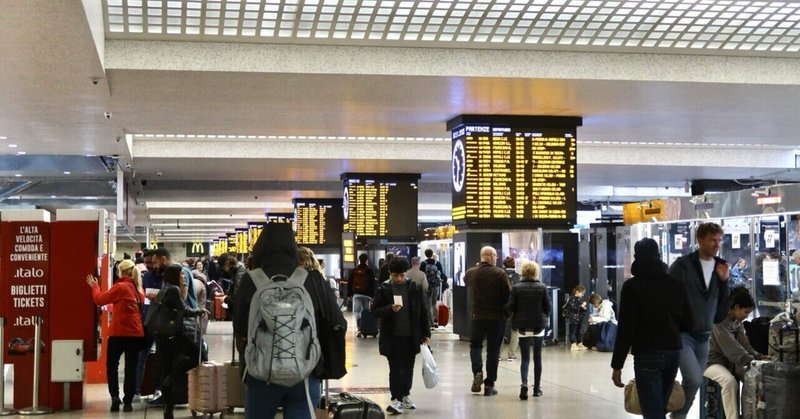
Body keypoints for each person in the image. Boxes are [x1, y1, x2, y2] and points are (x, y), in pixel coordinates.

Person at [233, 223, 343, 419]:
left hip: (260, 372)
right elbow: (336, 322)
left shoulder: (250, 280)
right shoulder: (312, 279)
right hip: (304, 373)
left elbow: (240, 327)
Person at [611, 238, 693, 419]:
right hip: (672, 351)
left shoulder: (632, 287)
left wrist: (617, 365)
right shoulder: (675, 284)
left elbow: (626, 328)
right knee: (660, 407)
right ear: (658, 255)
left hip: (646, 353)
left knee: (652, 410)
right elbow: (688, 321)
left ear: (636, 257)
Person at [668, 222, 730, 419]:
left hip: (704, 336)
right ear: (700, 240)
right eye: (712, 240)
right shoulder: (682, 266)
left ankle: (679, 414)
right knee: (693, 378)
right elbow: (668, 295)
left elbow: (723, 301)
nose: (716, 244)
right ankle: (678, 413)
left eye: (719, 240)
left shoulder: (721, 267)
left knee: (695, 380)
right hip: (682, 334)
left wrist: (724, 281)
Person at [146, 264, 207, 419]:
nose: (183, 276)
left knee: (166, 367)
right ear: (174, 275)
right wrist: (200, 311)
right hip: (173, 335)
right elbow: (184, 310)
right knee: (197, 354)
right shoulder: (173, 289)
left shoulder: (164, 288)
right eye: (181, 274)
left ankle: (168, 408)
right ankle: (173, 376)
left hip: (162, 335)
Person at [372, 256, 431, 414]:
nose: (399, 279)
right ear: (390, 273)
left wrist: (426, 332)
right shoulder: (383, 288)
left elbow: (423, 311)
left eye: (402, 275)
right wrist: (389, 309)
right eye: (395, 275)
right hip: (392, 336)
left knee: (409, 367)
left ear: (406, 273)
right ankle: (396, 398)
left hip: (411, 335)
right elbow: (375, 310)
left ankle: (406, 395)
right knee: (395, 368)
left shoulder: (414, 287)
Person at [85, 259, 146, 412]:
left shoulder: (120, 286)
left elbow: (99, 299)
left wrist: (95, 286)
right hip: (136, 334)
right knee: (131, 368)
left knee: (112, 365)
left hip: (118, 333)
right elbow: (129, 308)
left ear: (121, 272)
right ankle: (128, 402)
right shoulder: (139, 289)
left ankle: (114, 397)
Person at [704, 287, 764, 419]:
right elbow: (732, 349)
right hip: (711, 362)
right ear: (736, 307)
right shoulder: (718, 321)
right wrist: (751, 360)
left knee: (752, 379)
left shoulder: (737, 322)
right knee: (729, 382)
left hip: (729, 362)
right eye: (746, 312)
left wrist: (758, 356)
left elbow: (745, 345)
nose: (747, 316)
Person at [465, 246, 511, 396]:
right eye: (496, 256)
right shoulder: (500, 274)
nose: (497, 258)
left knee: (476, 345)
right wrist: (507, 313)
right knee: (493, 350)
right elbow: (507, 296)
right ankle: (489, 385)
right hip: (496, 318)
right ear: (491, 256)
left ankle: (477, 371)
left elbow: (467, 282)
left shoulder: (471, 273)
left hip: (477, 316)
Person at [505, 261, 551, 400]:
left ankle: (524, 383)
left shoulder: (516, 288)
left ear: (523, 272)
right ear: (536, 272)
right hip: (538, 326)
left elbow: (510, 307)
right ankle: (537, 388)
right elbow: (548, 307)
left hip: (522, 326)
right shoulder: (542, 287)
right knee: (537, 357)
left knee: (525, 358)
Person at [347, 253, 377, 337]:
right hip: (367, 296)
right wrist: (372, 295)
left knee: (357, 312)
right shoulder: (369, 270)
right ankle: (366, 327)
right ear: (367, 260)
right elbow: (372, 284)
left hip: (356, 295)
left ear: (359, 260)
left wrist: (349, 294)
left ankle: (359, 328)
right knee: (366, 311)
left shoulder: (354, 270)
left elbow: (350, 282)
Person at [421, 249, 447, 328]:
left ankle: (429, 322)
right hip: (435, 286)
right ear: (432, 254)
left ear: (425, 255)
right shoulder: (437, 263)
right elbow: (442, 274)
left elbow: (422, 275)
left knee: (427, 303)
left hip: (426, 286)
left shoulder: (423, 263)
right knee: (434, 303)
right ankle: (435, 320)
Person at [503, 256, 521, 361]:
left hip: (502, 306)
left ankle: (498, 354)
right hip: (515, 307)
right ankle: (511, 354)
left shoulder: (500, 275)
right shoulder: (519, 277)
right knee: (515, 331)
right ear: (514, 265)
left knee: (500, 330)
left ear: (504, 265)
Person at [563, 285, 588, 351]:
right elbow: (574, 309)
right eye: (581, 293)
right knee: (572, 331)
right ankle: (573, 344)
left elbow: (580, 309)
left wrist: (584, 308)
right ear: (577, 291)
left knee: (578, 331)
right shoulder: (571, 299)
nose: (582, 295)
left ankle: (579, 343)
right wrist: (581, 306)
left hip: (579, 318)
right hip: (573, 318)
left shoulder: (579, 299)